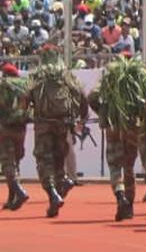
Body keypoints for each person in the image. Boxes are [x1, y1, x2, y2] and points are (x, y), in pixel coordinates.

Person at [90, 55, 146, 221]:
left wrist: (103, 112)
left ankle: (120, 196)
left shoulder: (110, 75)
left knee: (114, 164)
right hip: (133, 125)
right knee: (129, 166)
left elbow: (92, 96)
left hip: (113, 125)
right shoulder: (139, 75)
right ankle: (130, 205)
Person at [29, 45, 87, 218]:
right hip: (63, 123)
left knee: (43, 160)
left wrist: (27, 114)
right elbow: (81, 94)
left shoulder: (38, 75)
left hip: (43, 124)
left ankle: (54, 194)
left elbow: (26, 97)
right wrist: (81, 118)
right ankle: (63, 184)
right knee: (59, 158)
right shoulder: (65, 74)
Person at [0, 62, 32, 211]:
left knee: (7, 163)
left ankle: (19, 191)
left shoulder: (3, 84)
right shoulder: (25, 84)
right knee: (16, 162)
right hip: (21, 127)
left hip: (5, 127)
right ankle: (11, 198)